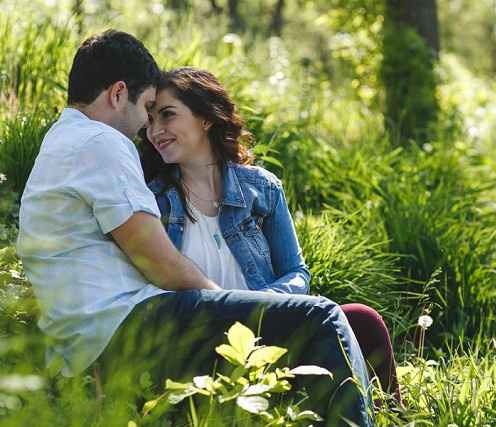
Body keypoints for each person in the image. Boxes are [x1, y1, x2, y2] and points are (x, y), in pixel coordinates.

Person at [17, 30, 372, 426]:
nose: (144, 129)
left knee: (354, 322)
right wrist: (233, 309)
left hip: (98, 332)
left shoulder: (64, 139)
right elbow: (158, 263)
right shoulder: (101, 141)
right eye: (147, 108)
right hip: (126, 325)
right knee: (323, 317)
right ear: (119, 93)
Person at [141, 66, 401, 402]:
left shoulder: (262, 188)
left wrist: (266, 303)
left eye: (167, 115)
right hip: (201, 344)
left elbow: (297, 272)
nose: (155, 130)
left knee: (362, 322)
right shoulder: (150, 201)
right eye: (149, 120)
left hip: (268, 330)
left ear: (205, 118)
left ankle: (389, 417)